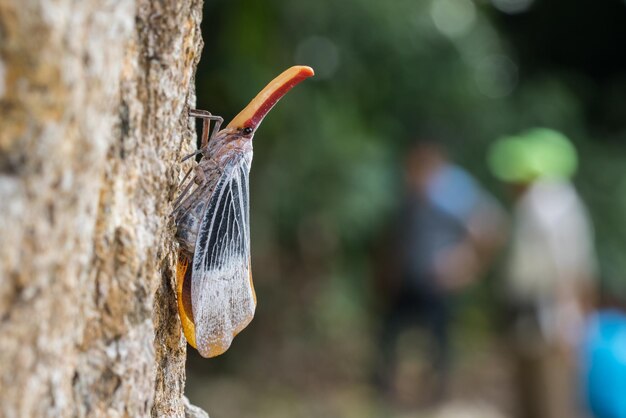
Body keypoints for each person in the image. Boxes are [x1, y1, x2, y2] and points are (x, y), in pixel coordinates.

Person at [374, 142, 506, 403]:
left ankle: (435, 393)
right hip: (407, 282)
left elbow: (492, 229)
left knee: (438, 341)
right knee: (391, 334)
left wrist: (467, 266)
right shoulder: (410, 195)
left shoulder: (454, 192)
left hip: (437, 285)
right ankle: (388, 389)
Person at [488, 128, 598, 418]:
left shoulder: (548, 204)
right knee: (535, 397)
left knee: (550, 399)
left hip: (549, 317)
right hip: (535, 316)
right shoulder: (545, 203)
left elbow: (568, 268)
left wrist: (567, 321)